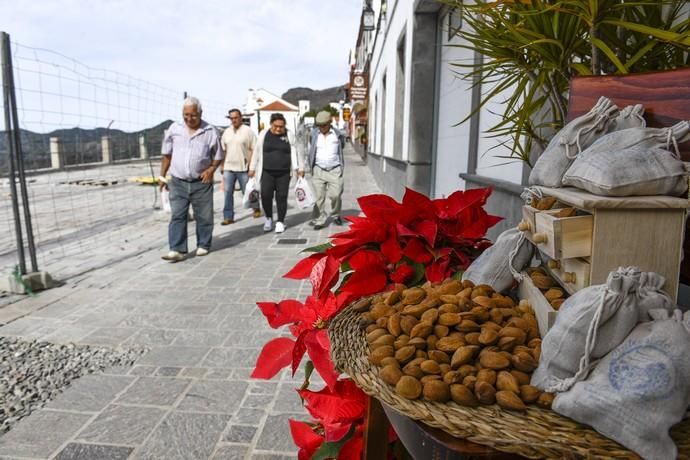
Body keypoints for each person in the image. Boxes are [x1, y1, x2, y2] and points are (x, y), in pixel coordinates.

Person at [159, 97, 223, 262]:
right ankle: (177, 249)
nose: (189, 118)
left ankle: (203, 244)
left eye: (193, 115)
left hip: (201, 183)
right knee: (178, 215)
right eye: (185, 115)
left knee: (204, 216)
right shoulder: (175, 129)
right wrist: (162, 176)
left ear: (200, 113)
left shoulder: (210, 132)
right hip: (178, 181)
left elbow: (218, 156)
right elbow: (167, 154)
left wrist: (211, 169)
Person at [249, 113, 304, 233]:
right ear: (271, 124)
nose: (278, 129)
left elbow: (298, 151)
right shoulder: (264, 134)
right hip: (267, 172)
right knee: (265, 195)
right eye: (275, 126)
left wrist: (301, 168)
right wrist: (252, 168)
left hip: (284, 173)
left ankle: (280, 221)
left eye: (281, 126)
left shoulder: (289, 135)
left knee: (282, 197)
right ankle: (268, 218)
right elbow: (256, 152)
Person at [220, 108, 260, 225]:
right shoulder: (226, 132)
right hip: (228, 167)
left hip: (243, 167)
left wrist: (252, 166)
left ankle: (256, 208)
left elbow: (254, 149)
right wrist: (222, 165)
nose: (234, 120)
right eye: (231, 118)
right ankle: (228, 216)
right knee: (228, 192)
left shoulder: (248, 131)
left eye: (236, 118)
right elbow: (223, 150)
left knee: (248, 191)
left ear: (240, 117)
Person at [307, 111, 345, 230]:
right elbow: (311, 149)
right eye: (319, 125)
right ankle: (320, 219)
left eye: (324, 125)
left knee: (336, 195)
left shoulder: (338, 135)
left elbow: (341, 147)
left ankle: (336, 214)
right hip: (318, 169)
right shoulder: (313, 134)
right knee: (319, 197)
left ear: (330, 123)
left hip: (334, 170)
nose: (321, 127)